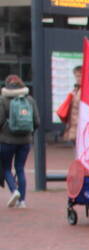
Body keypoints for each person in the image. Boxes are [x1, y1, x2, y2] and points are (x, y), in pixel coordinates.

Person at [0, 75, 40, 209]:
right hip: (25, 141)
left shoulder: (3, 99)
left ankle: (14, 190)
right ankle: (22, 201)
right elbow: (36, 122)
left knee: (5, 167)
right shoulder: (29, 100)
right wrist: (29, 134)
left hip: (6, 141)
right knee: (20, 168)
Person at [57, 65, 82, 143]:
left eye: (79, 76)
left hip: (80, 127)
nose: (78, 78)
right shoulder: (76, 90)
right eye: (76, 76)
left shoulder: (83, 90)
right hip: (74, 126)